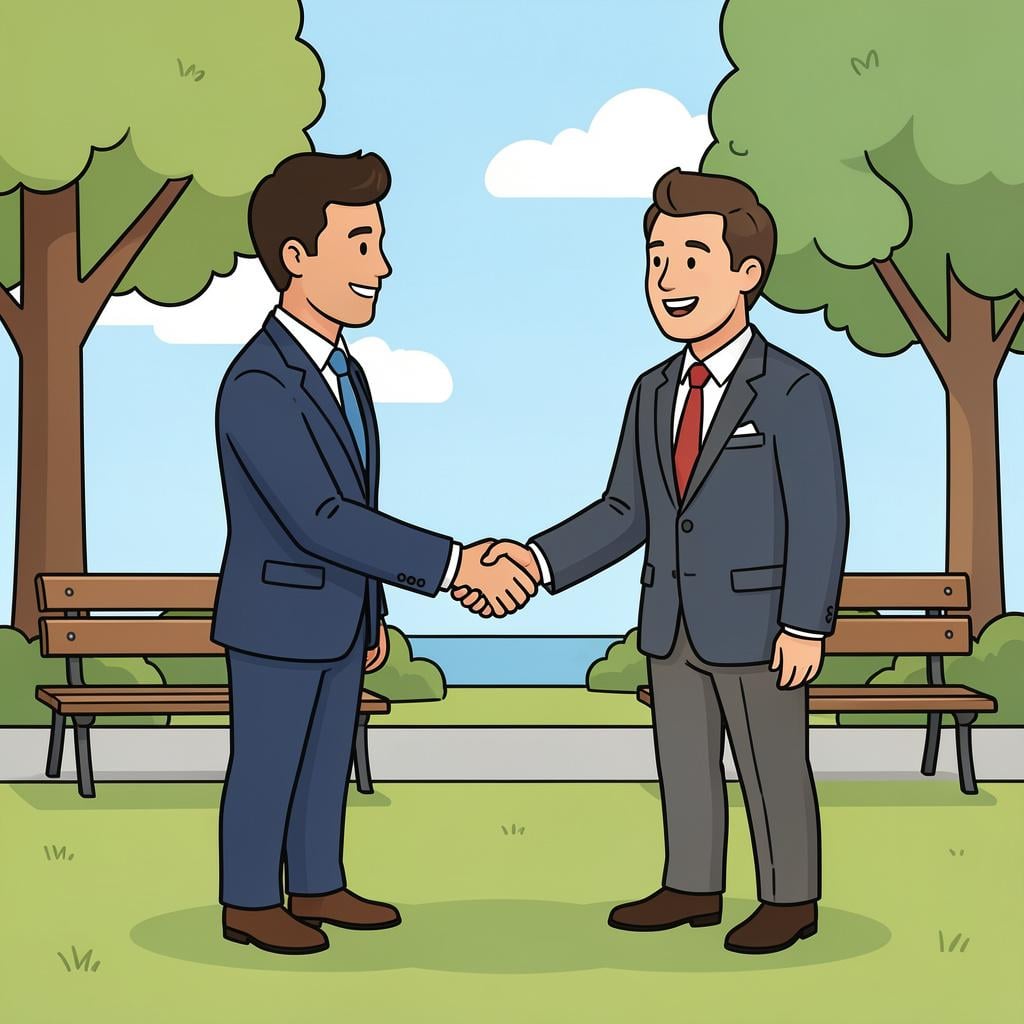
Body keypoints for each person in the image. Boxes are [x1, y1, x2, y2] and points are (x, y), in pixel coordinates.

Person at [456, 169, 849, 955]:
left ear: (747, 272)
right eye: (657, 259)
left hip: (761, 625)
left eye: (692, 258)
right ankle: (691, 886)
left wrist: (806, 624)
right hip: (670, 620)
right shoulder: (652, 391)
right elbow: (624, 511)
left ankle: (789, 899)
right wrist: (536, 560)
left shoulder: (793, 389)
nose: (669, 279)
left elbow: (821, 515)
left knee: (772, 763)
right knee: (685, 761)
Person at [213, 150, 536, 955]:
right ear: (296, 257)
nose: (381, 266)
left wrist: (374, 609)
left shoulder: (346, 374)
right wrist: (457, 566)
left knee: (326, 758)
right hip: (276, 616)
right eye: (360, 244)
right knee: (269, 761)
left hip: (340, 616)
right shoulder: (258, 383)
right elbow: (319, 517)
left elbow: (358, 509)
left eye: (379, 244)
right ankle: (249, 901)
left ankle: (318, 883)